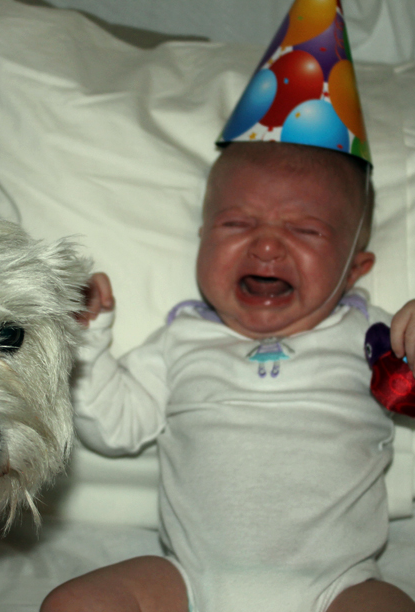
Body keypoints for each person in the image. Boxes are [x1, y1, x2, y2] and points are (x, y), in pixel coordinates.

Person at [41, 141, 415, 612]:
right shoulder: (181, 340)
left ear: (355, 268)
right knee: (72, 603)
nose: (266, 245)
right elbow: (115, 427)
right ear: (204, 240)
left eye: (305, 229)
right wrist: (86, 337)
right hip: (191, 580)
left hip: (339, 586)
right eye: (236, 224)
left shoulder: (374, 336)